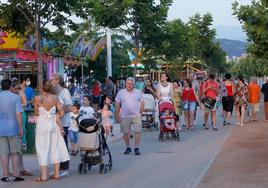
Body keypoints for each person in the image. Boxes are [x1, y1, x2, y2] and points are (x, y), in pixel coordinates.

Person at [34, 80, 69, 182]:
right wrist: (55, 115)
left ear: (41, 86)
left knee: (42, 148)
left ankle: (44, 176)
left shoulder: (37, 98)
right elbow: (61, 112)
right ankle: (57, 174)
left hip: (42, 125)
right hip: (54, 124)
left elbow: (36, 113)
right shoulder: (55, 98)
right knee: (55, 147)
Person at [0, 79, 24, 182]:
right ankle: (15, 175)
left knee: (3, 153)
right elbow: (18, 114)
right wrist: (21, 128)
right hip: (13, 128)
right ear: (10, 86)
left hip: (1, 128)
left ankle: (5, 175)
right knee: (14, 153)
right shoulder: (16, 97)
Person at [115, 77, 145, 155]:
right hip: (124, 116)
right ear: (125, 84)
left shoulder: (138, 92)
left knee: (137, 131)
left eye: (131, 84)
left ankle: (136, 148)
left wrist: (141, 112)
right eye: (127, 83)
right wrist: (117, 114)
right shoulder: (121, 92)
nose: (129, 85)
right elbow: (117, 104)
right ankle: (128, 147)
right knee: (125, 133)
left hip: (136, 115)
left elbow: (142, 102)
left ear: (134, 85)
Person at [9, 80, 33, 177]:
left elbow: (25, 102)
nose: (16, 89)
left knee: (17, 146)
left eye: (17, 87)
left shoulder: (20, 92)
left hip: (19, 117)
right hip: (12, 120)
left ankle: (20, 169)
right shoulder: (8, 95)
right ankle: (11, 170)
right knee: (10, 147)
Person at [51, 74, 72, 177]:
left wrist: (59, 110)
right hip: (54, 123)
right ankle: (57, 167)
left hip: (64, 123)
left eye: (53, 80)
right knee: (55, 145)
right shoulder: (52, 92)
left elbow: (70, 107)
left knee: (63, 144)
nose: (51, 81)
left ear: (58, 81)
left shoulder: (65, 92)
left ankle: (65, 167)